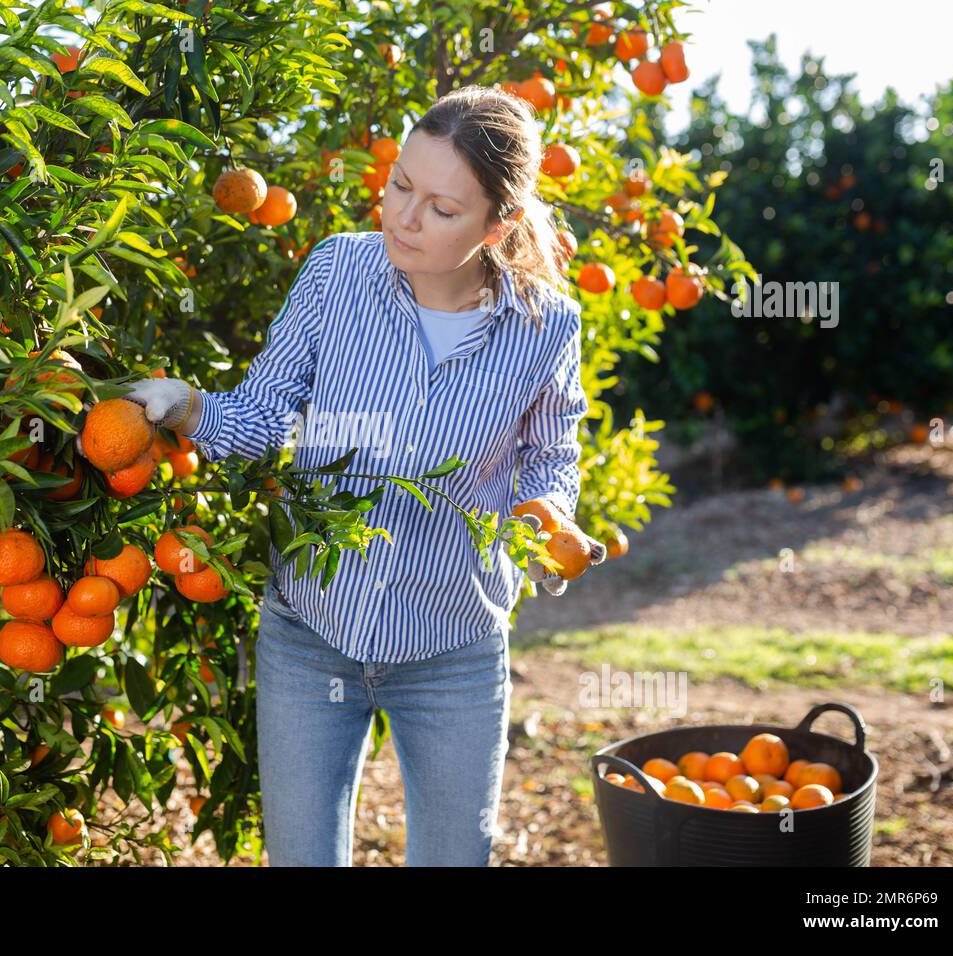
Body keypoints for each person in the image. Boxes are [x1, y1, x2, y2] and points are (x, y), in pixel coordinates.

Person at [126, 85, 602, 865]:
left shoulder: (546, 325)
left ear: (499, 224)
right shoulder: (335, 275)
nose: (404, 219)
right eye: (399, 187)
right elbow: (263, 419)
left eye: (442, 209)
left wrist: (549, 517)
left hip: (452, 642)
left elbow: (549, 457)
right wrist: (186, 408)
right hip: (312, 631)